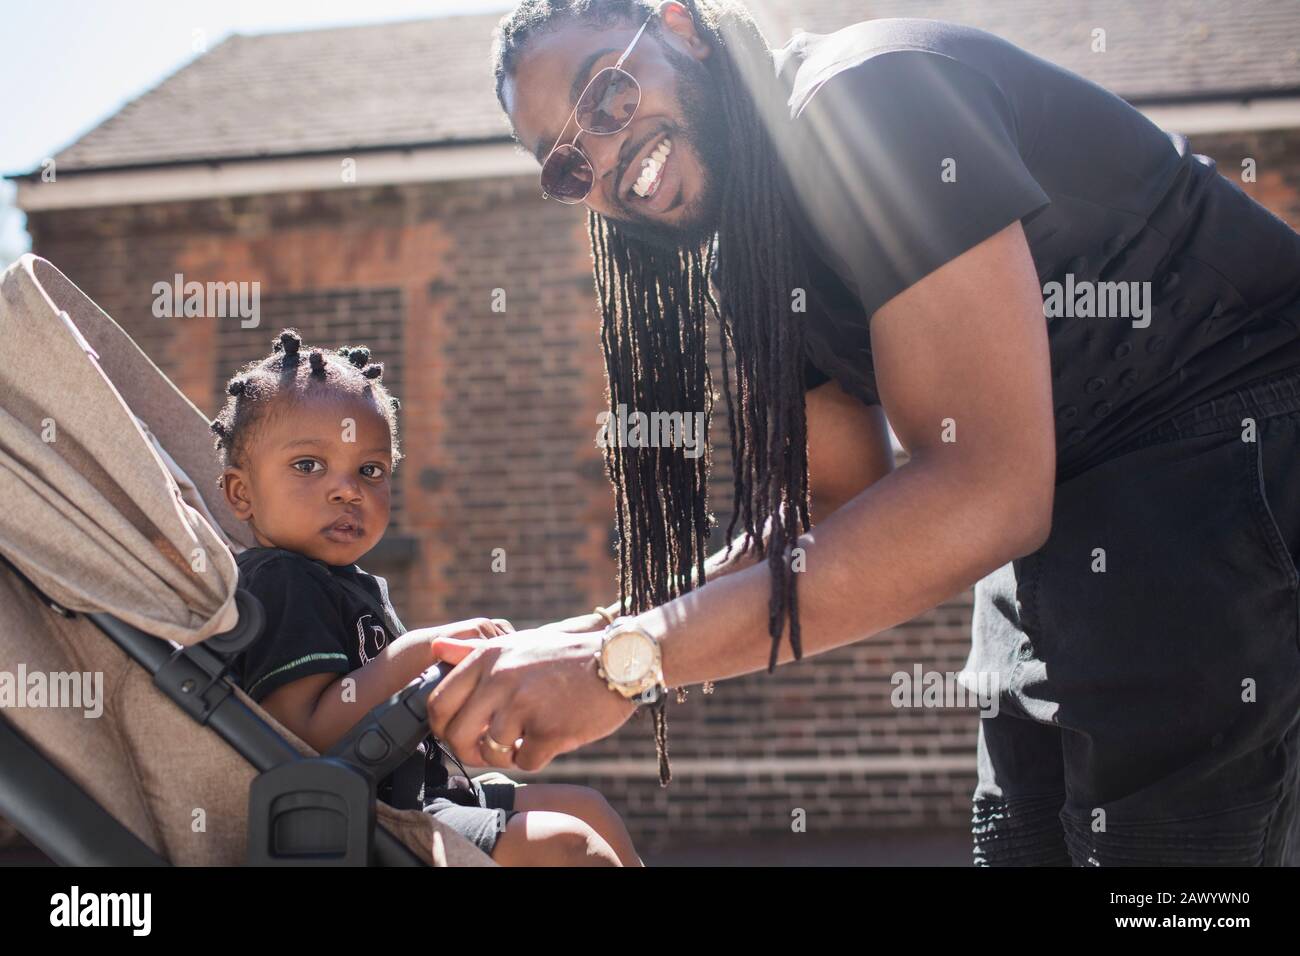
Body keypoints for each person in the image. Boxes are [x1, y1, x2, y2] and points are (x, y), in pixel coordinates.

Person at [425, 0, 1300, 866]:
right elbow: (840, 503)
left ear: (681, 25)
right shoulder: (754, 252)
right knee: (1021, 842)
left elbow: (984, 487)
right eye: (568, 165)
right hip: (1064, 513)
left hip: (1226, 453)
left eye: (608, 94)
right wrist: (597, 637)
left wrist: (625, 665)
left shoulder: (866, 97)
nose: (609, 158)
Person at [213, 328, 640, 865]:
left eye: (370, 470)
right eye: (308, 465)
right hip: (360, 811)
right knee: (568, 844)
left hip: (419, 790)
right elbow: (305, 737)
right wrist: (418, 651)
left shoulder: (353, 584)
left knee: (589, 807)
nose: (347, 489)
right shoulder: (279, 580)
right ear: (241, 493)